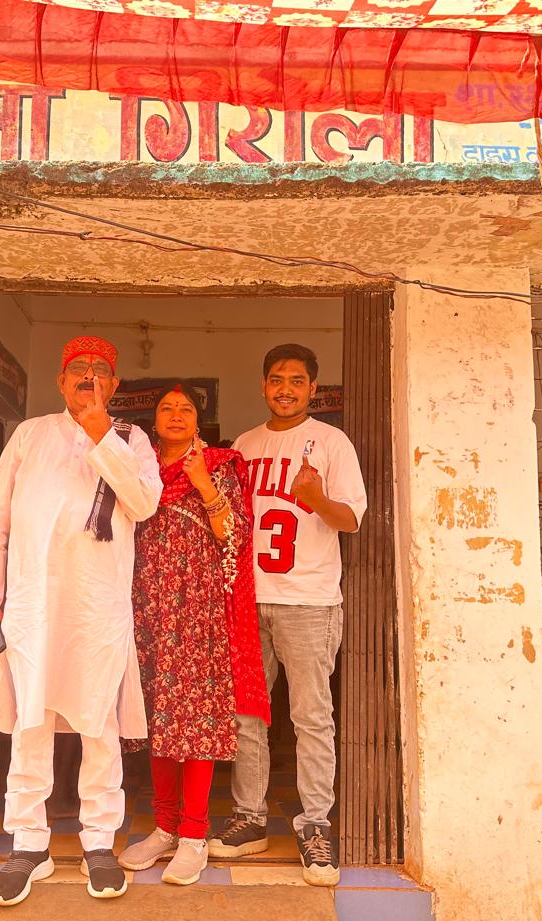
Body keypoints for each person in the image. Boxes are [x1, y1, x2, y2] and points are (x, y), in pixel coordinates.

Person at [0, 335, 162, 906]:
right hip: (34, 605)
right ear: (60, 380)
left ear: (114, 384)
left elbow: (143, 503)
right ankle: (29, 845)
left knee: (99, 726)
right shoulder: (30, 435)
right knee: (31, 725)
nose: (88, 376)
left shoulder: (131, 438)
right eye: (78, 368)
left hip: (98, 607)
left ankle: (98, 842)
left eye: (100, 369)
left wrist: (101, 432)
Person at [209, 343, 367, 887]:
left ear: (312, 390)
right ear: (263, 385)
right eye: (277, 379)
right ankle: (250, 818)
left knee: (311, 716)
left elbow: (350, 520)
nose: (285, 389)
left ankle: (315, 824)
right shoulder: (244, 445)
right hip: (249, 598)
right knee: (247, 716)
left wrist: (317, 498)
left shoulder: (332, 442)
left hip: (309, 599)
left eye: (297, 381)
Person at [117, 383, 270, 885]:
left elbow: (235, 535)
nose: (176, 414)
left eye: (186, 408)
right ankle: (164, 827)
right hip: (147, 606)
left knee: (197, 720)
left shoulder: (220, 465)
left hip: (198, 608)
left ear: (199, 421)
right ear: (154, 420)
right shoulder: (138, 467)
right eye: (167, 408)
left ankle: (194, 835)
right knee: (159, 716)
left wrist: (203, 483)